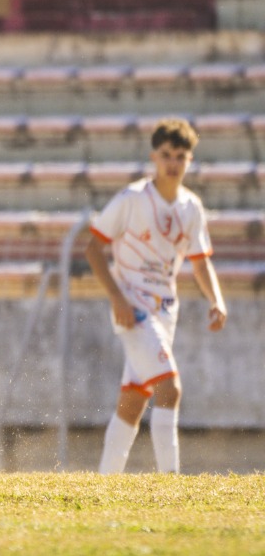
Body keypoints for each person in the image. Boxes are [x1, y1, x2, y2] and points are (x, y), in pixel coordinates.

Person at [86, 118, 227, 475]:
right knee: (170, 388)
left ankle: (105, 483)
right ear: (154, 156)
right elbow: (93, 248)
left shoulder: (191, 207)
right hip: (133, 309)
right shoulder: (133, 198)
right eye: (167, 155)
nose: (173, 163)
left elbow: (200, 262)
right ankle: (171, 484)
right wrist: (118, 299)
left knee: (133, 400)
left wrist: (217, 299)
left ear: (190, 160)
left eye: (181, 156)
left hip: (166, 311)